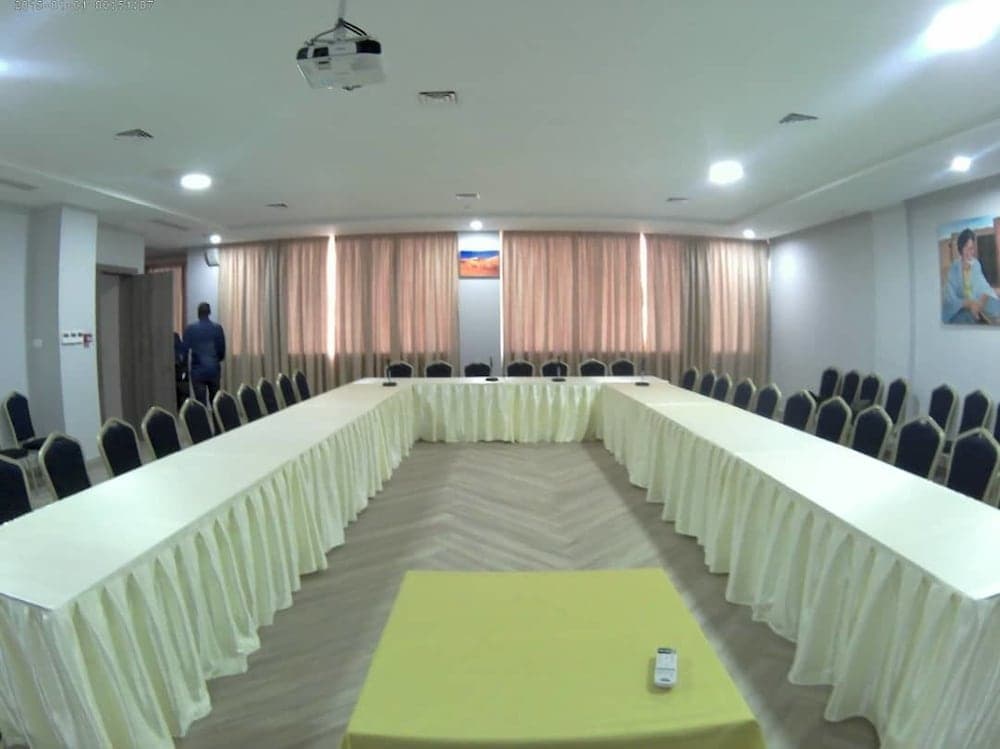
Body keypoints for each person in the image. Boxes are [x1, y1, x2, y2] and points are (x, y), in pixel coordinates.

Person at [942, 228, 1000, 324]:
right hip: (962, 306)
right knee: (964, 320)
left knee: (996, 307)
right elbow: (950, 299)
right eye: (967, 248)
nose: (970, 252)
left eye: (972, 248)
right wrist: (969, 303)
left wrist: (984, 298)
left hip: (979, 300)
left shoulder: (976, 264)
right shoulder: (954, 268)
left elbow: (983, 286)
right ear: (961, 248)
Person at [183, 302, 226, 406]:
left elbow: (184, 350)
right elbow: (221, 351)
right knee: (216, 403)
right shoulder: (217, 328)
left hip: (198, 372)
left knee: (201, 405)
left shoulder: (190, 329)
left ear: (198, 313)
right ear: (209, 312)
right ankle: (215, 417)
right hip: (213, 370)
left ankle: (203, 416)